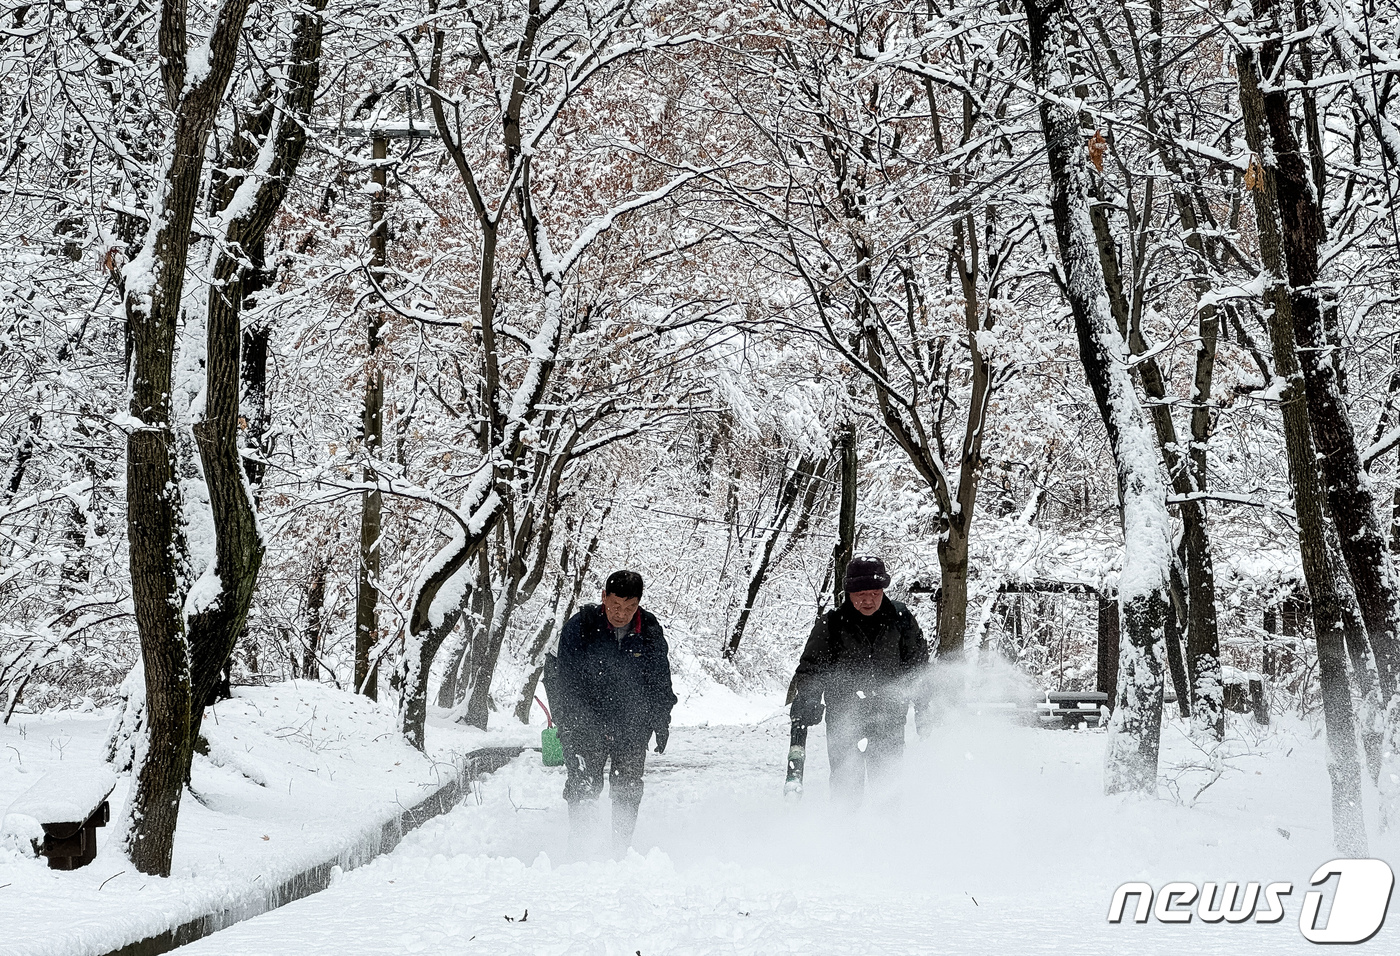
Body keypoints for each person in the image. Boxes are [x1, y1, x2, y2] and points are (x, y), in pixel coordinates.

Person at [787, 555, 932, 808]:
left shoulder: (901, 619)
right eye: (861, 594)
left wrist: (924, 706)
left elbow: (917, 667)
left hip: (889, 717)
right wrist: (809, 697)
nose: (868, 600)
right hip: (845, 718)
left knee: (888, 786)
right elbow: (812, 668)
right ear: (849, 593)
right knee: (846, 786)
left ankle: (886, 838)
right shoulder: (832, 624)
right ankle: (845, 838)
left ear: (882, 591)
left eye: (874, 593)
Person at [549, 569, 676, 855]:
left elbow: (660, 681)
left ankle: (621, 848)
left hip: (631, 719)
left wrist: (661, 720)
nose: (622, 614)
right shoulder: (580, 627)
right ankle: (581, 848)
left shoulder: (649, 631)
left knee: (628, 785)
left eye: (630, 607)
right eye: (616, 605)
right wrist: (571, 723)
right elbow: (564, 681)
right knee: (583, 782)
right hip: (585, 716)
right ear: (604, 597)